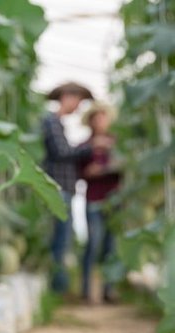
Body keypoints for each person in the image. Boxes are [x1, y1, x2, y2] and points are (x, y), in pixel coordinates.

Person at [42, 82, 111, 294]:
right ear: (67, 97)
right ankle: (59, 289)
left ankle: (59, 287)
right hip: (59, 189)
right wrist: (91, 148)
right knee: (61, 240)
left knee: (64, 238)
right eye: (78, 102)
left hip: (65, 190)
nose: (78, 107)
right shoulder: (51, 121)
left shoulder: (58, 123)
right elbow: (62, 153)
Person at [79, 102, 121, 303]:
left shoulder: (116, 143)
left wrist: (102, 169)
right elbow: (82, 173)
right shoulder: (85, 146)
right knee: (93, 244)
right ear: (90, 121)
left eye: (102, 117)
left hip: (114, 201)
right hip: (93, 201)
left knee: (110, 248)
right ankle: (86, 291)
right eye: (96, 118)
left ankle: (108, 290)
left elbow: (124, 165)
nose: (99, 121)